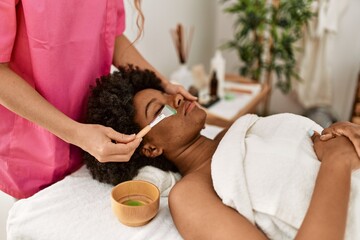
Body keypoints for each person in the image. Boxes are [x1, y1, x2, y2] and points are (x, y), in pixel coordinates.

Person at [85, 65, 360, 240]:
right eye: (159, 110)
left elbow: (301, 147)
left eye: (168, 94)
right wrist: (338, 159)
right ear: (151, 148)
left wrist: (338, 131)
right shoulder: (190, 196)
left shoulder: (233, 134)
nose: (178, 98)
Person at [0, 0, 195, 199]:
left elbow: (112, 35)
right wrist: (77, 133)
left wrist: (164, 84)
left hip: (89, 136)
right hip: (33, 147)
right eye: (157, 109)